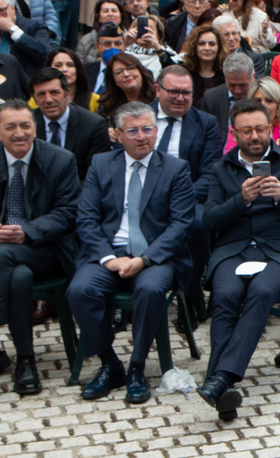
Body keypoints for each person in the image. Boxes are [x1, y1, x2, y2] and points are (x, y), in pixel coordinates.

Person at [201, 97, 280, 419]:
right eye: (246, 131)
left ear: (271, 128)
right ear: (234, 133)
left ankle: (220, 379)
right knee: (225, 295)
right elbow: (209, 221)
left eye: (260, 129)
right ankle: (222, 386)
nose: (255, 136)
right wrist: (239, 200)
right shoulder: (221, 168)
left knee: (261, 291)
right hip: (234, 250)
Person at [67, 101, 194, 403]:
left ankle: (137, 367)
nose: (141, 137)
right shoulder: (101, 164)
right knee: (80, 290)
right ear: (118, 134)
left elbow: (180, 225)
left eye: (147, 129)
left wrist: (144, 259)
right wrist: (109, 259)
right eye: (133, 131)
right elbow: (86, 219)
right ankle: (110, 364)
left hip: (155, 256)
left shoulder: (175, 168)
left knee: (150, 291)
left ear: (156, 131)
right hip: (109, 253)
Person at [0, 99, 80, 394]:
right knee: (19, 277)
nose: (19, 133)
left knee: (3, 256)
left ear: (35, 128)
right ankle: (26, 361)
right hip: (7, 256)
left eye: (25, 125)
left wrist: (27, 232)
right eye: (10, 127)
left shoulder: (61, 160)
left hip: (48, 249)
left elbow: (69, 213)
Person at [152, 65, 221, 324]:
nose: (180, 98)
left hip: (189, 196)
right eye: (173, 92)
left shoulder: (206, 123)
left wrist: (179, 199)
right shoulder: (139, 118)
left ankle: (190, 295)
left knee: (198, 224)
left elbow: (209, 173)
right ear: (157, 90)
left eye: (186, 93)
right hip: (143, 195)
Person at [31, 65, 108, 180]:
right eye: (41, 94)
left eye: (54, 93)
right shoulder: (26, 124)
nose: (48, 100)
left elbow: (95, 177)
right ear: (34, 98)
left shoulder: (93, 125)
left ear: (67, 94)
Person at [224, 77, 280, 154]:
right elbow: (229, 158)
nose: (263, 105)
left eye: (269, 101)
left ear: (278, 106)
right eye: (257, 101)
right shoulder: (238, 129)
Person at [199, 51, 256, 134]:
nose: (237, 90)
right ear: (225, 78)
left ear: (253, 77)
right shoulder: (211, 98)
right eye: (232, 85)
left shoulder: (263, 97)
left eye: (242, 85)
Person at [0, 0, 51, 83]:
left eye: (1, 11)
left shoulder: (35, 26)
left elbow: (43, 53)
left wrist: (12, 29)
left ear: (12, 8)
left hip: (23, 84)